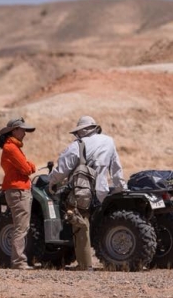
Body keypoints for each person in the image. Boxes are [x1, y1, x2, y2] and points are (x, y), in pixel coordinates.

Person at [48, 116, 127, 271]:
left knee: (80, 224)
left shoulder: (77, 145)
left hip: (83, 193)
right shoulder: (109, 141)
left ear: (83, 130)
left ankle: (85, 265)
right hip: (102, 192)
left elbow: (62, 171)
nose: (77, 135)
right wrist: (120, 188)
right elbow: (116, 168)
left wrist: (50, 182)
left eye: (78, 132)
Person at [0, 117, 38, 270]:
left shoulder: (12, 147)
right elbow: (27, 169)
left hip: (16, 190)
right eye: (23, 130)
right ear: (14, 130)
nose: (25, 133)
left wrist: (28, 165)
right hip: (18, 190)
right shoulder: (12, 148)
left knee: (20, 225)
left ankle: (18, 259)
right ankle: (18, 261)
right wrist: (31, 165)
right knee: (21, 227)